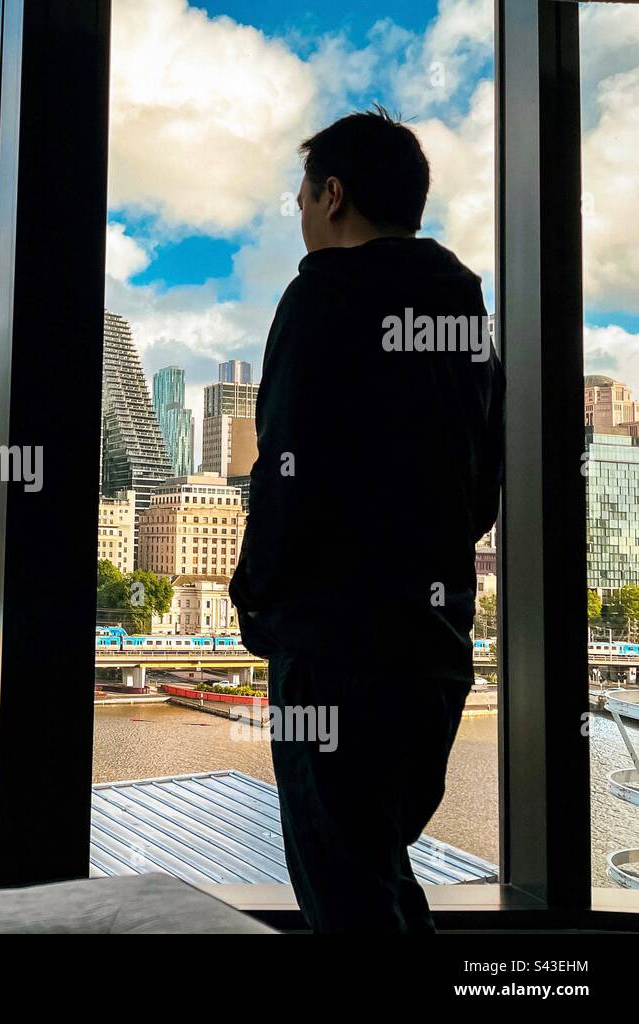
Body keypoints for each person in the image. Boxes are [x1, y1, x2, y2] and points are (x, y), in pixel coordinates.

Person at [229, 106, 505, 933]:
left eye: (305, 199)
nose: (303, 218)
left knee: (344, 890)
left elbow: (284, 465)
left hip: (333, 643)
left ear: (335, 194)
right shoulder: (464, 312)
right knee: (376, 869)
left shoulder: (321, 299)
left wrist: (258, 598)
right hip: (434, 642)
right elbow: (482, 482)